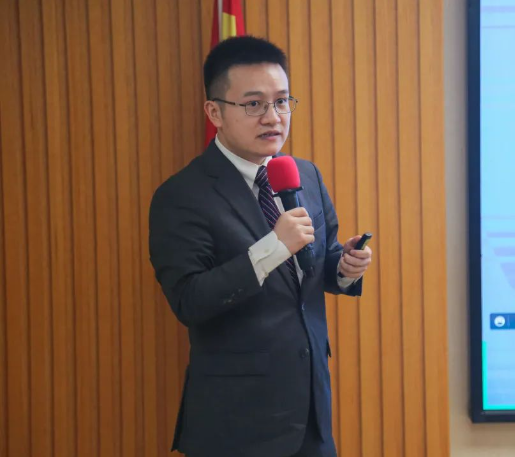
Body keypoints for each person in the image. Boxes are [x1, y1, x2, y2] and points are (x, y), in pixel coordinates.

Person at [148, 36, 372, 457]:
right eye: (254, 104)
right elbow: (189, 300)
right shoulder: (181, 195)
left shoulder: (304, 174)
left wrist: (344, 268)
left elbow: (313, 267)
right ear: (215, 112)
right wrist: (273, 247)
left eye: (282, 101)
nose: (273, 117)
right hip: (235, 425)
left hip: (311, 414)